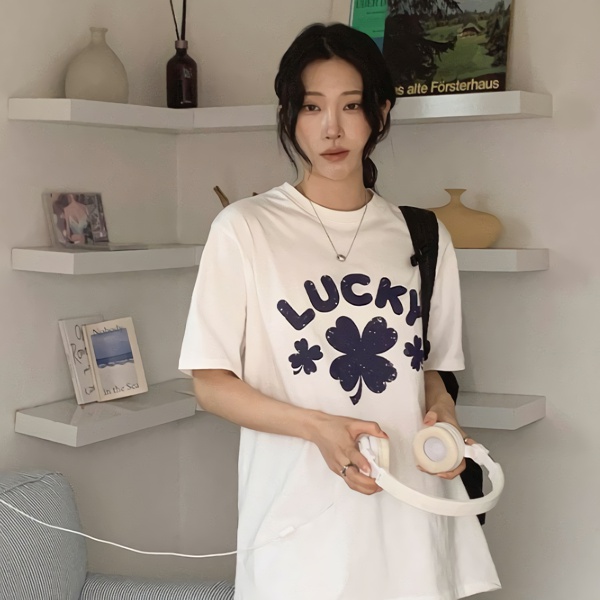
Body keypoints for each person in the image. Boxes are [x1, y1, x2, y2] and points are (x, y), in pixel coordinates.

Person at [179, 22, 500, 600]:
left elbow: (430, 372)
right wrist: (318, 428)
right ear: (289, 116)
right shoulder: (245, 229)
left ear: (380, 112)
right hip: (297, 530)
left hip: (411, 519)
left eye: (351, 105)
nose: (332, 128)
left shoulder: (424, 235)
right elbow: (210, 383)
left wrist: (445, 419)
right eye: (312, 107)